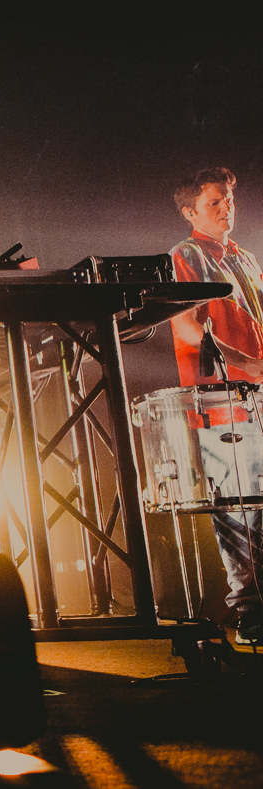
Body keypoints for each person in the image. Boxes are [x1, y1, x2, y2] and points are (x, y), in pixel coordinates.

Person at [168, 166, 263, 646]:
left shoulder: (245, 257)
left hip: (257, 391)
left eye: (228, 199)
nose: (227, 208)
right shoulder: (184, 255)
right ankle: (249, 610)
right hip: (222, 398)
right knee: (237, 504)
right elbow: (186, 327)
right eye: (214, 203)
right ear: (190, 212)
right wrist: (247, 364)